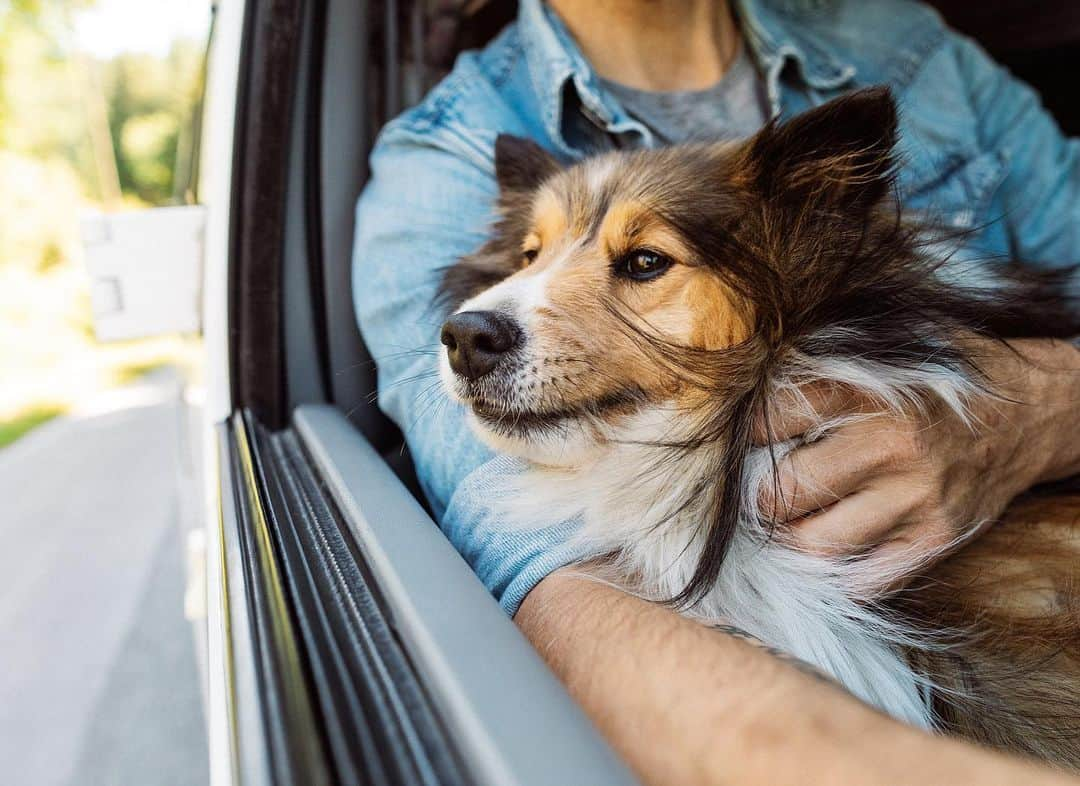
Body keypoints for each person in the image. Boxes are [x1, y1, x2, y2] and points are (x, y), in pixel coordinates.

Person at [353, 1, 1080, 783]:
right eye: (528, 254)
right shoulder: (442, 154)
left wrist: (1042, 405)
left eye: (639, 263)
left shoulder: (914, 50)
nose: (497, 310)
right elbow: (540, 567)